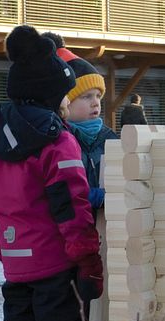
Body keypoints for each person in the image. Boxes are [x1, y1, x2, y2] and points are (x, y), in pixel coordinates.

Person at [0, 25, 103, 321]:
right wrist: (88, 261)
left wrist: (5, 250)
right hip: (54, 262)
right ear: (54, 95)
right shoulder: (57, 138)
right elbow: (71, 204)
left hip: (16, 262)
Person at [42, 32, 118, 213]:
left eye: (98, 96)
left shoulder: (111, 138)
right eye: (86, 96)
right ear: (65, 101)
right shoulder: (57, 140)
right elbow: (61, 191)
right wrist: (100, 197)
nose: (95, 102)